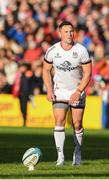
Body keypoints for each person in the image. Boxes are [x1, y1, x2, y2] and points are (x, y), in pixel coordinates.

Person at [43, 21, 92, 166]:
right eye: (66, 32)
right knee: (59, 121)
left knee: (77, 124)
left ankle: (77, 152)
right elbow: (45, 70)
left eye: (71, 31)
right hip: (60, 91)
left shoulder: (81, 50)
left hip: (77, 91)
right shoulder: (52, 50)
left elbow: (88, 73)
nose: (69, 34)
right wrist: (49, 89)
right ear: (60, 33)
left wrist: (78, 91)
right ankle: (60, 157)